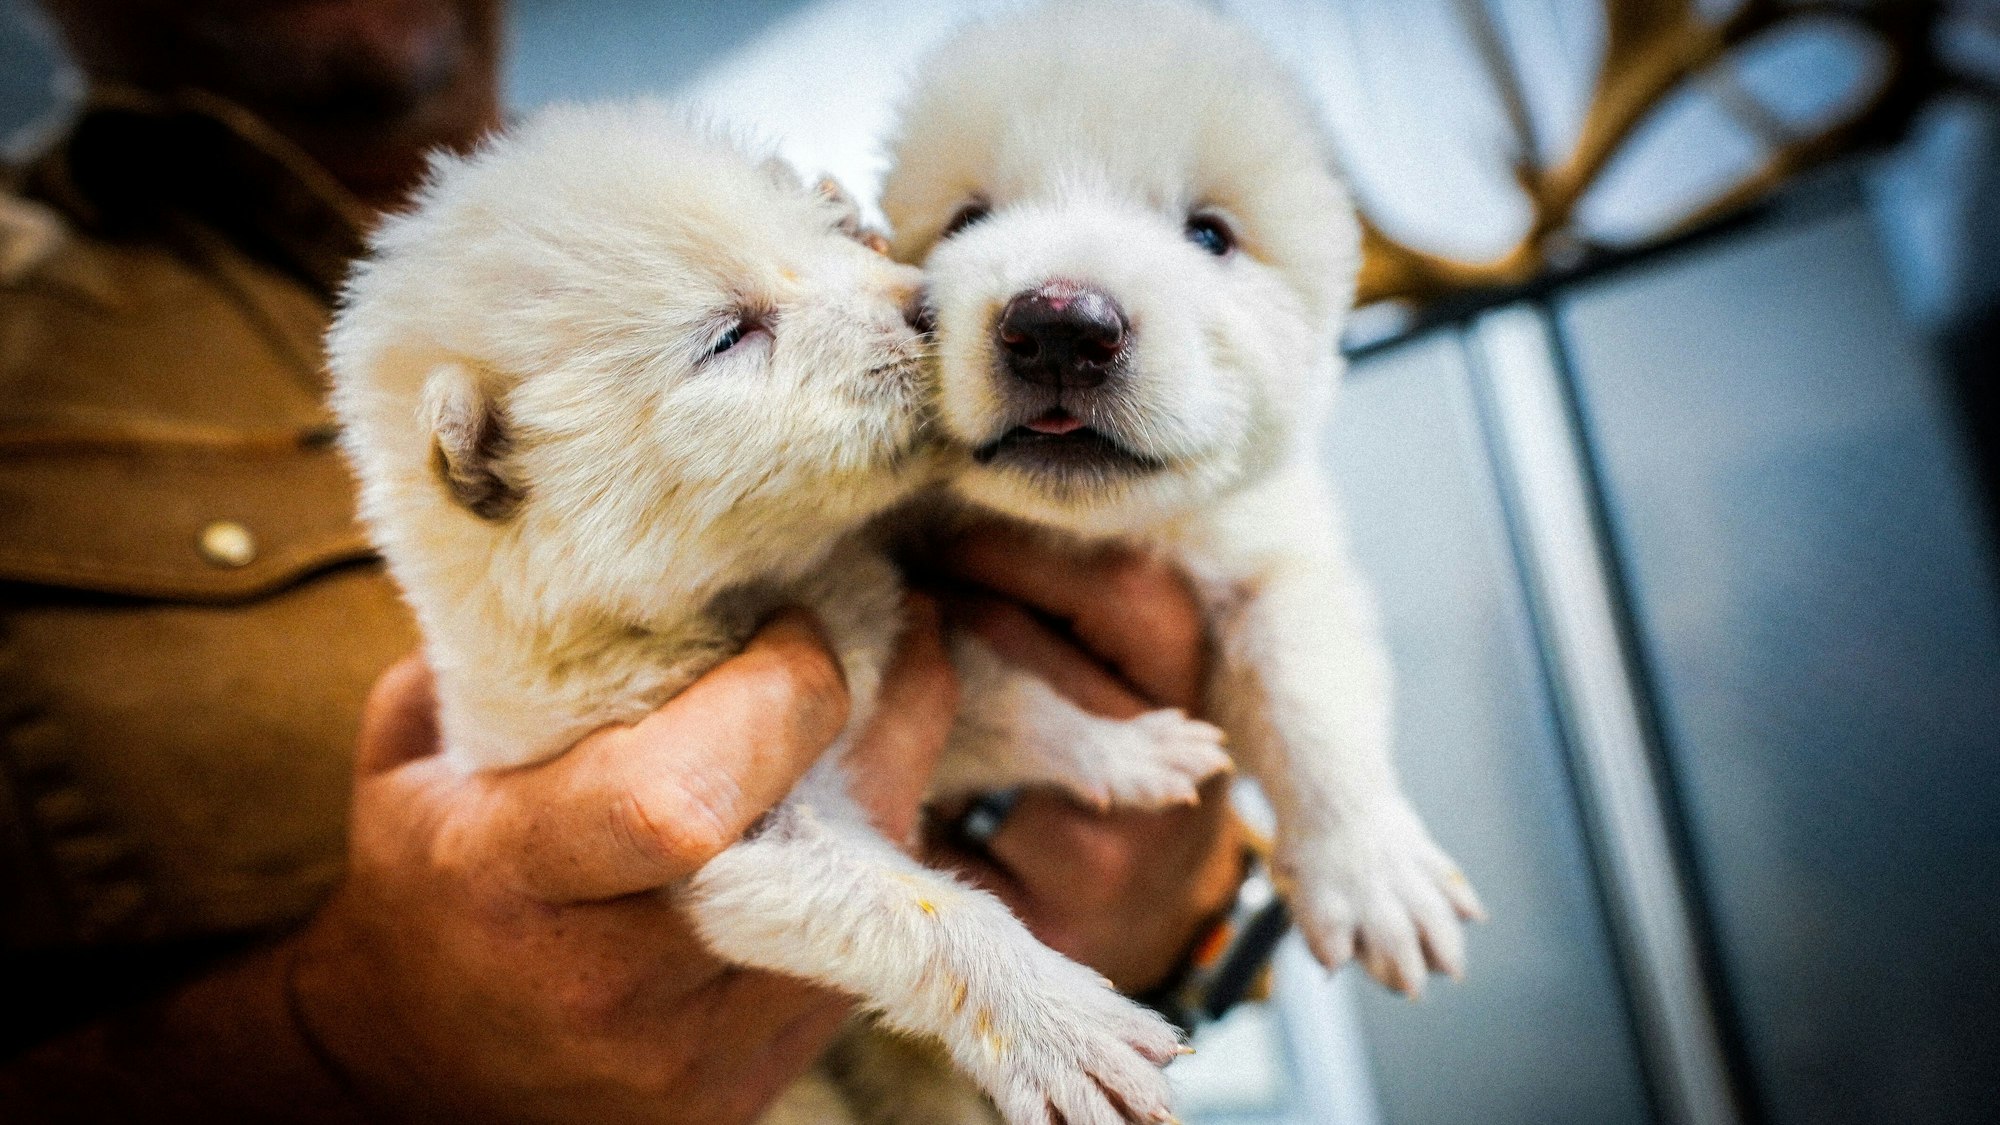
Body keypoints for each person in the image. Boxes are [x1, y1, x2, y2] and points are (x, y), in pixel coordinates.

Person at [0, 1, 1244, 1120]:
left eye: (825, 236)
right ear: (491, 462)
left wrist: (1180, 906)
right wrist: (341, 1046)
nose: (904, 293)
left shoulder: (666, 173)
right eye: (727, 339)